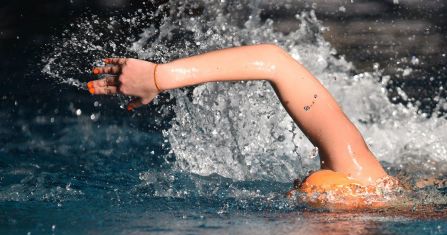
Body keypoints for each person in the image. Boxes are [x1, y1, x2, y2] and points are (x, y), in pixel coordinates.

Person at [88, 44, 399, 206]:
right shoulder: (359, 171)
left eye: (301, 193)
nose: (299, 184)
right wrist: (161, 76)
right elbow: (274, 61)